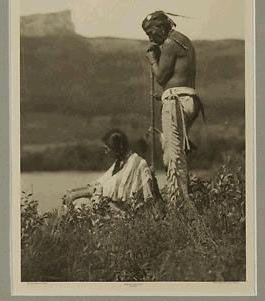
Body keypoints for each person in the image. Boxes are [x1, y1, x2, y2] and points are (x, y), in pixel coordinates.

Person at [142, 11, 204, 205]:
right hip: (188, 100)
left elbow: (161, 77)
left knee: (172, 155)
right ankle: (184, 199)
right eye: (147, 34)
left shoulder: (170, 43)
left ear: (163, 26)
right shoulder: (184, 41)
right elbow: (179, 76)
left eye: (151, 32)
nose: (150, 37)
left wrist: (153, 59)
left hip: (175, 102)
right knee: (178, 153)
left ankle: (178, 205)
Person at [63, 129, 156, 208]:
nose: (106, 152)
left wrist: (76, 194)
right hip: (120, 208)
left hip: (130, 212)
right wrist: (74, 191)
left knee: (82, 203)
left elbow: (107, 187)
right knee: (79, 202)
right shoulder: (120, 162)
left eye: (107, 149)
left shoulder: (136, 163)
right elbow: (100, 182)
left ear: (118, 148)